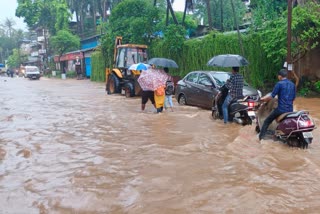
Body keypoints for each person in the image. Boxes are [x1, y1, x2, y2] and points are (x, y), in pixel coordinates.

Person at [259, 69, 296, 140]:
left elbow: (271, 96)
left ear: (280, 76)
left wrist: (263, 99)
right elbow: (293, 99)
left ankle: (261, 138)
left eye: (278, 76)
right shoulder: (292, 84)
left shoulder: (279, 84)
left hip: (281, 109)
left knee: (267, 121)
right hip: (290, 110)